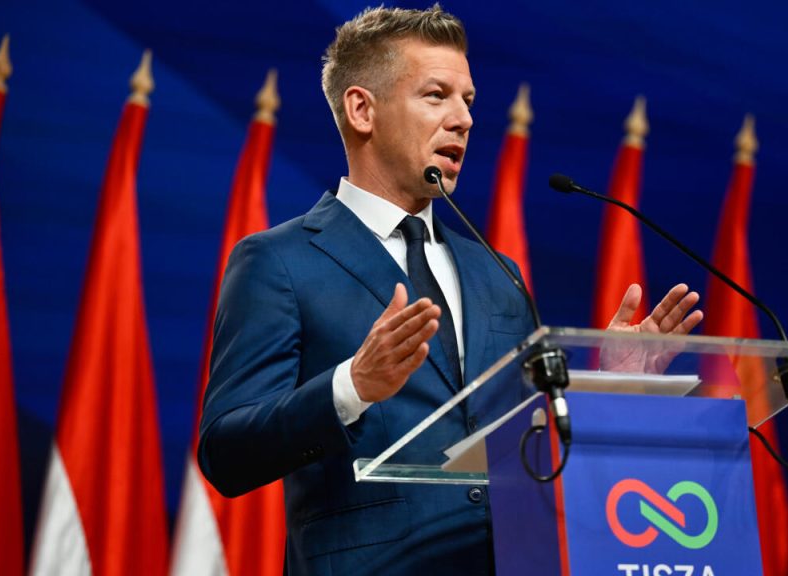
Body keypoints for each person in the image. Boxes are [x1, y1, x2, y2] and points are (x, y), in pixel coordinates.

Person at [198, 5, 703, 575]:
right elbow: (225, 453)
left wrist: (605, 390)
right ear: (362, 110)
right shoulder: (279, 261)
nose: (463, 119)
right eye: (436, 96)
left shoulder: (498, 273)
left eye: (468, 101)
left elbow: (527, 443)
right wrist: (352, 386)